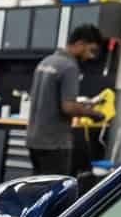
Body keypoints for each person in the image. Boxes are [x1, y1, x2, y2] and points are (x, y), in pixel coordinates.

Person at [26, 24, 105, 176]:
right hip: (54, 143)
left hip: (34, 140)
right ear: (80, 44)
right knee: (56, 188)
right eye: (91, 50)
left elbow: (52, 99)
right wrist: (94, 114)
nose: (90, 57)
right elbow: (68, 107)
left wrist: (83, 104)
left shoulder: (46, 61)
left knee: (39, 185)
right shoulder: (70, 67)